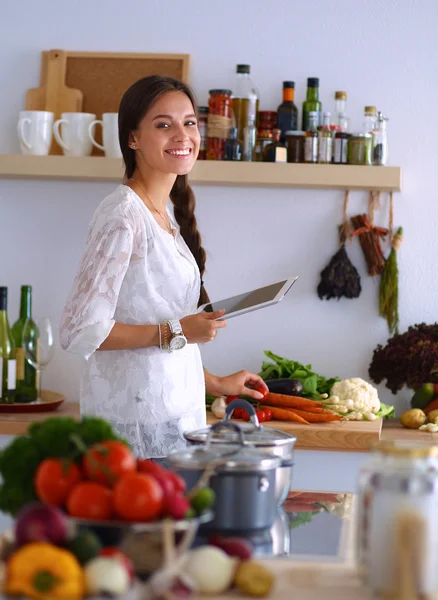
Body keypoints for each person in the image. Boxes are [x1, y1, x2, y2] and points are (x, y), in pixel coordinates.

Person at [60, 75, 267, 462]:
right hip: (133, 437)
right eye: (163, 124)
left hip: (175, 424)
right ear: (132, 138)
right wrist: (177, 330)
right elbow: (80, 330)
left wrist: (216, 382)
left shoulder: (163, 214)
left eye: (189, 122)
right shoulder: (123, 216)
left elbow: (159, 342)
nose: (182, 134)